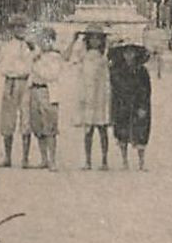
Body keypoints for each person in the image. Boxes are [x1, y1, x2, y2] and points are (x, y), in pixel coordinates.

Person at [71, 24, 112, 170]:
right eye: (92, 38)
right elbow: (70, 57)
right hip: (88, 94)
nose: (95, 41)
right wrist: (74, 40)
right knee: (88, 130)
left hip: (101, 95)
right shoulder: (83, 55)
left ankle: (104, 160)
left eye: (98, 38)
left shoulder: (105, 55)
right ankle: (88, 160)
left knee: (102, 128)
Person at [109, 39, 153, 170]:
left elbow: (147, 90)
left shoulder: (142, 71)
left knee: (141, 131)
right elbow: (114, 89)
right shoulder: (117, 71)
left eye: (131, 52)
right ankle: (124, 161)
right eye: (126, 52)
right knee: (122, 131)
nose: (129, 55)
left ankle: (141, 162)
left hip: (139, 104)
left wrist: (143, 106)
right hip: (122, 103)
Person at [0, 22, 35, 167]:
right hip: (10, 82)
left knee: (26, 118)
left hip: (24, 82)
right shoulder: (7, 46)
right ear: (11, 29)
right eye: (16, 27)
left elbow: (36, 59)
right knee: (8, 118)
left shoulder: (30, 46)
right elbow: (1, 63)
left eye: (22, 27)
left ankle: (25, 158)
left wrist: (32, 47)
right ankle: (7, 157)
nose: (20, 30)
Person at [28, 28, 64, 170]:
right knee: (37, 125)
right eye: (41, 40)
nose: (44, 43)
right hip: (35, 89)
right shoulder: (35, 55)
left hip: (47, 91)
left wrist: (36, 65)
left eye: (47, 39)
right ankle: (44, 159)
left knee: (50, 126)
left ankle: (52, 159)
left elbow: (51, 75)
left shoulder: (55, 57)